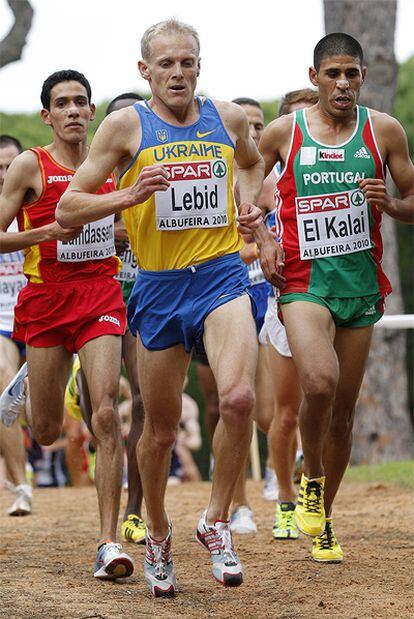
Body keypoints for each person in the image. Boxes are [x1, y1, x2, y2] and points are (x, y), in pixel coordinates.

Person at [57, 19, 281, 597]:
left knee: (236, 398)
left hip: (221, 276)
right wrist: (128, 195)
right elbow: (70, 207)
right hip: (157, 289)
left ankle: (215, 520)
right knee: (157, 433)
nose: (178, 72)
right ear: (145, 71)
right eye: (166, 64)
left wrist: (248, 205)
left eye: (187, 62)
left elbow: (254, 162)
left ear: (199, 66)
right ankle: (156, 530)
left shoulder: (227, 117)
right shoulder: (125, 126)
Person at [259, 32, 414, 562]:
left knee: (343, 415)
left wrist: (390, 205)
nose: (343, 83)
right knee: (319, 383)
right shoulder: (286, 131)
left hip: (360, 285)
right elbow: (248, 185)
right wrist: (262, 241)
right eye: (333, 74)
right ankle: (310, 478)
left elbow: (412, 199)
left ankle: (322, 516)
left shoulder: (384, 131)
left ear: (363, 77)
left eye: (352, 74)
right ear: (314, 78)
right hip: (304, 281)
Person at [0, 70, 134, 579]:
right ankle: (33, 383)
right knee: (49, 431)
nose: (74, 110)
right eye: (63, 103)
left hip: (101, 292)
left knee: (104, 413)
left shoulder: (113, 163)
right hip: (46, 301)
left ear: (93, 111)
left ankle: (109, 543)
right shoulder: (31, 166)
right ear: (47, 115)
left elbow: (128, 224)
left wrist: (121, 229)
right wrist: (49, 230)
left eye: (81, 102)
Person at [260, 89, 319, 540]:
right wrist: (263, 241)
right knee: (285, 412)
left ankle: (317, 498)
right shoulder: (268, 180)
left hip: (334, 295)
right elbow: (243, 217)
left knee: (328, 404)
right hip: (284, 301)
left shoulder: (334, 172)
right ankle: (283, 497)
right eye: (297, 122)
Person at [0, 135, 32, 516]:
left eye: (11, 166)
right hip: (1, 316)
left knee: (44, 417)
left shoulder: (42, 201)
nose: (6, 174)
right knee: (4, 382)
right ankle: (21, 484)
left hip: (37, 311)